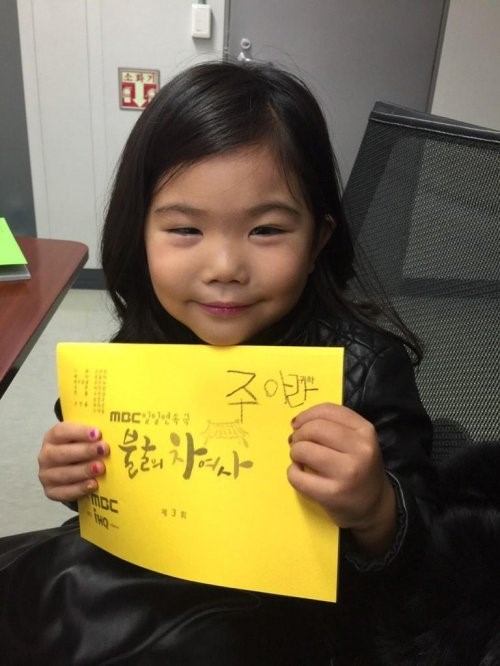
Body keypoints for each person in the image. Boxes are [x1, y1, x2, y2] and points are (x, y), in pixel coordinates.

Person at [2, 60, 436, 664]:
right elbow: (113, 484)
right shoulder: (145, 344)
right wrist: (73, 474)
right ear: (140, 234)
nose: (225, 267)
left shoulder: (362, 368)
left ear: (317, 241)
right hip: (146, 576)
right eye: (185, 230)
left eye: (265, 230)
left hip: (279, 617)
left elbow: (425, 557)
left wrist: (375, 507)